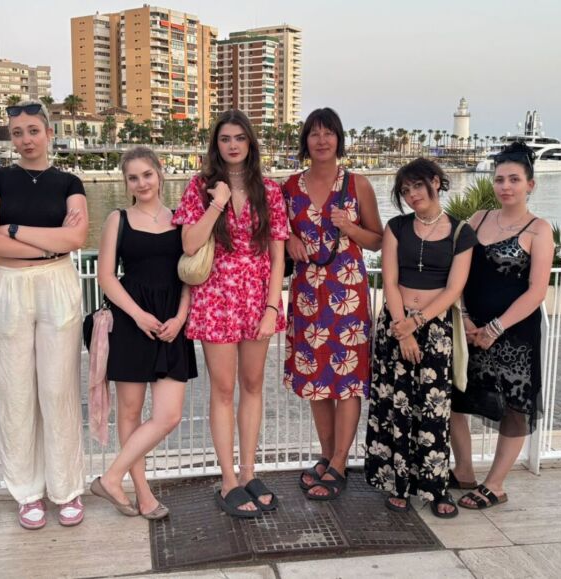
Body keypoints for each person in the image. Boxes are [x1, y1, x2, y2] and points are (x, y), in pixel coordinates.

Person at [0, 99, 89, 530]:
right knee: (16, 391)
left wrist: (15, 230)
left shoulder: (69, 182)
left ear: (48, 133)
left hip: (57, 284)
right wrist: (49, 240)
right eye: (17, 133)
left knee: (58, 389)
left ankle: (67, 487)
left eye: (33, 131)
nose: (25, 140)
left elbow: (75, 238)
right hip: (10, 285)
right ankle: (27, 491)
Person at [172, 110, 288, 518]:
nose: (233, 145)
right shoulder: (199, 187)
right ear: (216, 145)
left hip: (257, 298)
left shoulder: (269, 191)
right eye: (225, 139)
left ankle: (249, 471)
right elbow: (189, 244)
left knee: (253, 385)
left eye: (240, 137)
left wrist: (272, 306)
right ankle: (227, 479)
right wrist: (217, 203)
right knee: (223, 390)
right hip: (216, 297)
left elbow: (278, 256)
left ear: (250, 142)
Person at [365, 158, 476, 518]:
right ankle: (398, 484)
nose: (412, 194)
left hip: (435, 329)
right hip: (395, 325)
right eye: (405, 190)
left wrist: (417, 323)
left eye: (417, 186)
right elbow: (390, 279)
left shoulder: (461, 233)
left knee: (434, 410)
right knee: (396, 406)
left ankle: (436, 487)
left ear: (435, 182)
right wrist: (402, 328)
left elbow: (454, 288)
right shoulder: (397, 227)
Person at [89, 146, 196, 520]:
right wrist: (137, 316)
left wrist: (181, 317)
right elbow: (106, 277)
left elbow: (191, 274)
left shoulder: (182, 219)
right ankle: (143, 495)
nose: (141, 183)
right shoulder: (117, 219)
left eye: (147, 174)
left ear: (159, 173)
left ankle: (111, 478)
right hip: (131, 321)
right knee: (130, 413)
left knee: (169, 415)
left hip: (172, 322)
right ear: (126, 182)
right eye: (133, 177)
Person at [283, 108, 383, 500]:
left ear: (339, 139)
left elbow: (377, 239)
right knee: (317, 380)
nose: (322, 140)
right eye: (314, 133)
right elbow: (278, 235)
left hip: (347, 294)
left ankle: (340, 462)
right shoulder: (290, 187)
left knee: (347, 381)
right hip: (308, 296)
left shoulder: (357, 184)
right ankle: (327, 456)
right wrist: (290, 241)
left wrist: (349, 227)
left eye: (329, 133)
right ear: (305, 141)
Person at [449, 141, 553, 510]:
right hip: (469, 329)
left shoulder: (539, 230)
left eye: (514, 179)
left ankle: (495, 484)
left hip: (515, 335)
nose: (505, 186)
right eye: (499, 179)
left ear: (530, 185)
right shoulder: (478, 219)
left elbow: (536, 291)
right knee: (454, 398)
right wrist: (464, 317)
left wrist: (494, 329)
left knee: (514, 407)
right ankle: (464, 470)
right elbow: (459, 274)